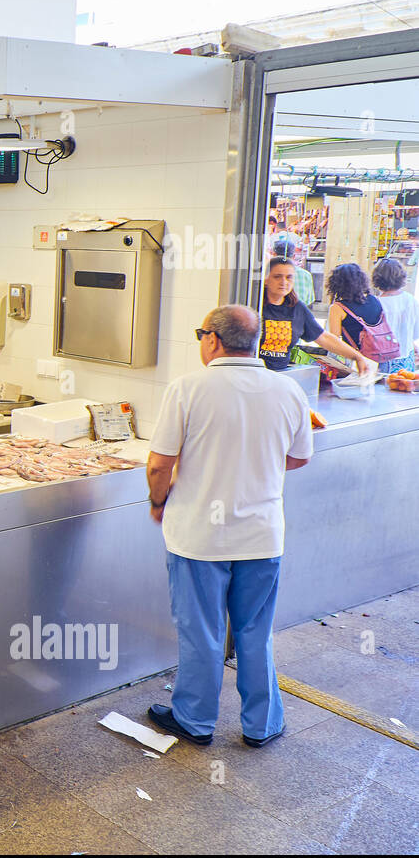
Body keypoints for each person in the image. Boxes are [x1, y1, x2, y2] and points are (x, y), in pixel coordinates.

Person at [145, 305, 312, 748]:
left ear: (213, 340)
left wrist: (158, 502)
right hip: (261, 536)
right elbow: (299, 457)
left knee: (201, 631)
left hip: (199, 537)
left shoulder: (187, 389)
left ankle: (195, 721)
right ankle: (262, 725)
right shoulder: (287, 390)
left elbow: (159, 464)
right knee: (255, 630)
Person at [257, 255, 367, 373]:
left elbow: (323, 337)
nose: (283, 282)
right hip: (254, 375)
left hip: (280, 376)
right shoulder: (255, 304)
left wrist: (357, 357)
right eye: (277, 277)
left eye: (289, 277)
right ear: (266, 279)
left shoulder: (298, 308)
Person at [325, 261, 399, 365]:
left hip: (358, 361)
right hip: (382, 357)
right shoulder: (374, 300)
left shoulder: (337, 308)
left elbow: (334, 341)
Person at [372, 257, 419, 374]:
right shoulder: (410, 300)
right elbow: (415, 332)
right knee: (404, 387)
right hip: (407, 357)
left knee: (383, 390)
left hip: (383, 359)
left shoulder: (376, 303)